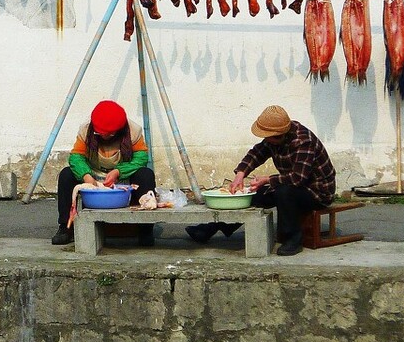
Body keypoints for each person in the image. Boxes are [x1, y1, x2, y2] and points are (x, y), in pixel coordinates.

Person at [188, 105, 335, 256]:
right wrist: (240, 174)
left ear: (279, 135)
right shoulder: (273, 140)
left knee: (283, 192)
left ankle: (293, 239)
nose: (266, 140)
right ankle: (210, 229)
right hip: (292, 185)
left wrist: (267, 179)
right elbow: (256, 154)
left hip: (317, 192)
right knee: (251, 194)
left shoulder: (303, 141)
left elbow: (297, 178)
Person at [53, 100, 156, 247]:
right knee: (66, 175)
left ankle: (145, 230)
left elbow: (141, 158)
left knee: (146, 174)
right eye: (100, 133)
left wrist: (118, 171)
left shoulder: (133, 131)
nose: (105, 137)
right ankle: (66, 227)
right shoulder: (85, 131)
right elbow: (76, 158)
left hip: (123, 176)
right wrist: (86, 176)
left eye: (109, 134)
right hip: (93, 175)